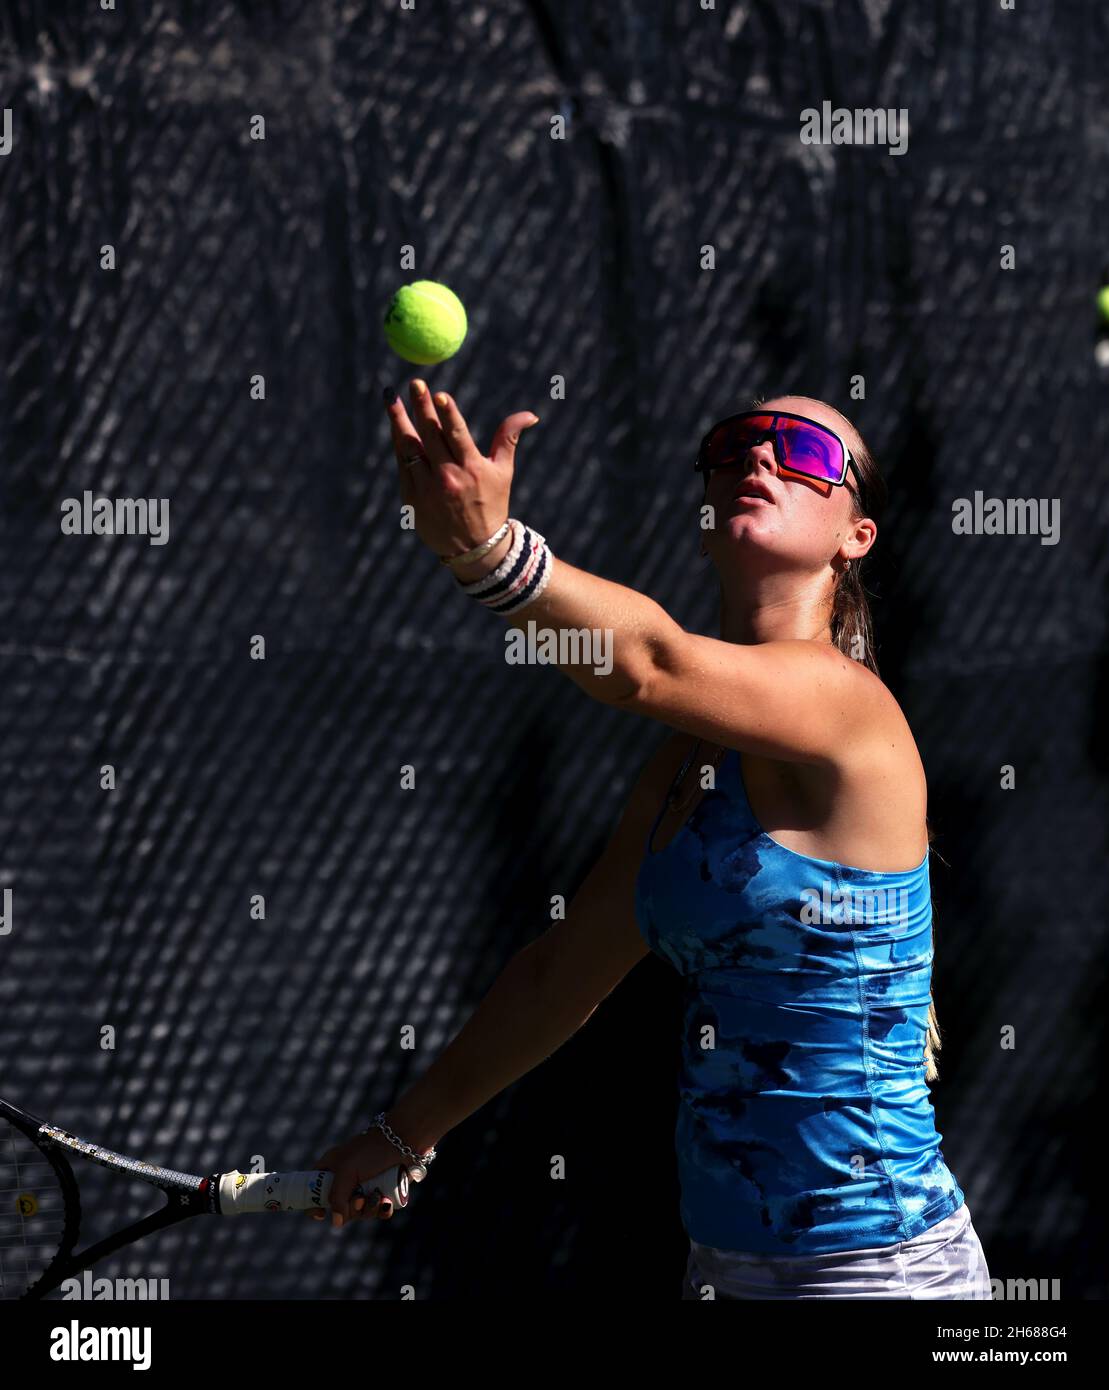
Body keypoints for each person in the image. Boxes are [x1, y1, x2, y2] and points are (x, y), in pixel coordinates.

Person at [308, 382, 992, 1300]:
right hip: (722, 1270)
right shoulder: (684, 769)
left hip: (880, 1270)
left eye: (806, 453)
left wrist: (489, 552)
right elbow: (561, 975)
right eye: (735, 446)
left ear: (853, 537)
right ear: (704, 518)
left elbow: (647, 662)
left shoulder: (847, 708)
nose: (761, 458)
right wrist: (402, 1133)